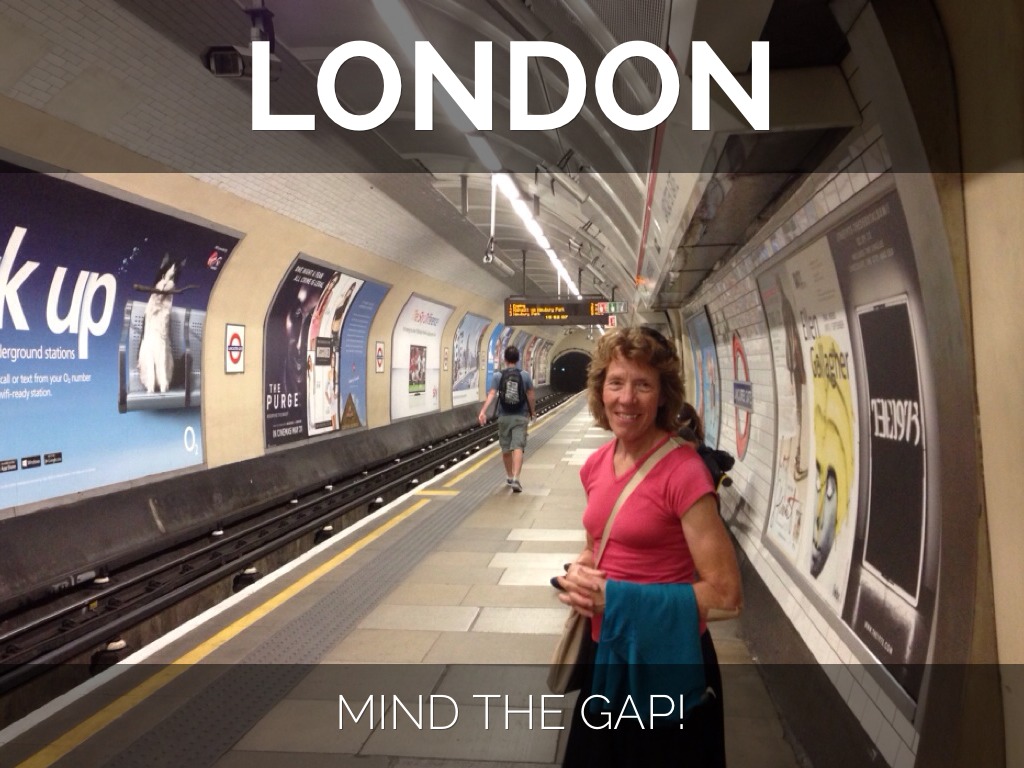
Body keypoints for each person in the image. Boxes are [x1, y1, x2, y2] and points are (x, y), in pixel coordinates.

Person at [555, 326, 742, 768]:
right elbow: (599, 546)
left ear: (662, 396)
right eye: (616, 383)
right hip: (607, 655)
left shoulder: (684, 473)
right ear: (600, 391)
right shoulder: (596, 465)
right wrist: (579, 571)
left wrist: (616, 599)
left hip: (665, 660)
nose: (626, 398)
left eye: (642, 385)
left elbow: (726, 594)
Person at [478, 345, 535, 492]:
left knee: (506, 449)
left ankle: (509, 476)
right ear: (518, 359)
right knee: (518, 447)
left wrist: (483, 411)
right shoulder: (525, 375)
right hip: (520, 416)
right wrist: (532, 412)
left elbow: (492, 394)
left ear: (504, 359)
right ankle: (516, 478)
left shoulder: (498, 376)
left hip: (504, 416)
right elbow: (530, 395)